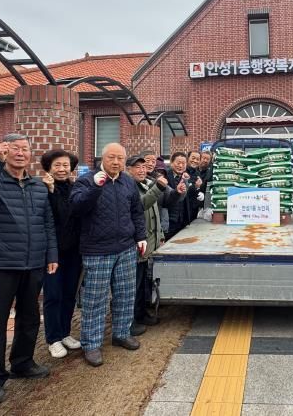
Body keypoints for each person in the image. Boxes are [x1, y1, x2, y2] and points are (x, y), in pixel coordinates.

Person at [0, 134, 58, 406]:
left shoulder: (38, 186)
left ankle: (23, 362)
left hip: (34, 261)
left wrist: (51, 254)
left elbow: (47, 223)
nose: (20, 153)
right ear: (4, 151)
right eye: (14, 148)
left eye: (25, 149)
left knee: (29, 317)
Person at [70, 143, 146, 367]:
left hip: (125, 248)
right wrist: (95, 187)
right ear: (102, 158)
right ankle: (91, 344)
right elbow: (77, 208)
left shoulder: (128, 182)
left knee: (125, 294)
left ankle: (121, 333)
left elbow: (136, 212)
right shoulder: (86, 180)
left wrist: (140, 236)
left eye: (120, 158)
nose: (116, 162)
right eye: (112, 157)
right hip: (97, 250)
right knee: (95, 300)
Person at [125, 155, 185, 335]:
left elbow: (165, 203)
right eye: (137, 167)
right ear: (128, 169)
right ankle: (129, 321)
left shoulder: (148, 183)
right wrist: (158, 187)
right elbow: (141, 205)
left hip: (150, 241)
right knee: (132, 285)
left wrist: (178, 192)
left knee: (144, 281)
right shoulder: (128, 186)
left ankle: (141, 313)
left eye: (144, 167)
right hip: (136, 242)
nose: (142, 169)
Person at [40, 149, 82, 359]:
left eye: (66, 165)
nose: (62, 169)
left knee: (69, 294)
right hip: (52, 253)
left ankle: (65, 332)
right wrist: (50, 190)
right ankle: (53, 338)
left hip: (74, 251)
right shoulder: (42, 189)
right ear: (49, 168)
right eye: (57, 165)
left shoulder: (76, 188)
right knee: (53, 295)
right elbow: (57, 215)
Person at [166, 152, 192, 238]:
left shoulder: (185, 177)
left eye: (183, 163)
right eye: (178, 163)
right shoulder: (165, 176)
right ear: (171, 162)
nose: (181, 166)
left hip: (182, 220)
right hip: (169, 220)